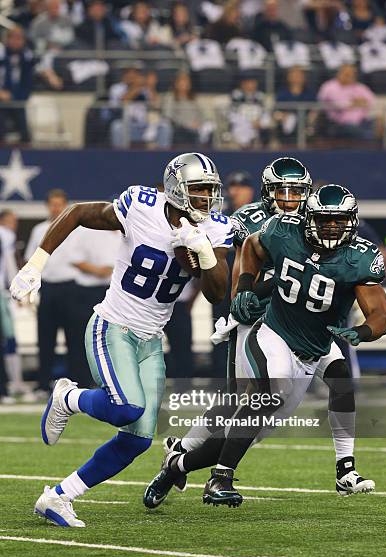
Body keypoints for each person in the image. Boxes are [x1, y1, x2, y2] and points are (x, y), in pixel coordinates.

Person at [10, 152, 233, 527]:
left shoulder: (215, 228)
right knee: (128, 407)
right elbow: (79, 213)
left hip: (151, 340)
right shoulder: (141, 206)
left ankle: (58, 497)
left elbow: (216, 292)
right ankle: (69, 397)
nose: (206, 199)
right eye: (197, 190)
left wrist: (206, 254)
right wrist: (36, 263)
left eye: (210, 190)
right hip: (112, 326)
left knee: (138, 438)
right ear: (177, 189)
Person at [144, 176, 386, 507]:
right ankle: (220, 478)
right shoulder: (281, 228)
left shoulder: (359, 257)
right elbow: (250, 247)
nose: (332, 228)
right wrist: (243, 287)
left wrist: (361, 333)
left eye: (339, 221)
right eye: (325, 220)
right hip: (272, 329)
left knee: (249, 432)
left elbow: (379, 315)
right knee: (258, 395)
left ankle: (177, 463)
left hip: (315, 343)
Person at [23, 189, 83, 400]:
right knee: (45, 340)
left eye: (60, 204)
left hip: (71, 288)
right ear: (48, 206)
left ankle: (76, 385)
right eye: (53, 204)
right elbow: (30, 259)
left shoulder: (78, 229)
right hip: (48, 288)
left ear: (65, 205)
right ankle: (42, 385)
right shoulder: (39, 230)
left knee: (74, 340)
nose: (56, 208)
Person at [70, 227, 122, 387]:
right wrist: (97, 270)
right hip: (88, 291)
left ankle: (113, 381)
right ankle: (81, 380)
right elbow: (74, 258)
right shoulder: (87, 231)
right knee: (83, 336)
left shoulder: (130, 231)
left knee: (115, 338)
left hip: (116, 292)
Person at [0, 26, 62, 144]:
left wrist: (51, 77)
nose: (16, 42)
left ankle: (25, 151)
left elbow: (41, 67)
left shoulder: (26, 55)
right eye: (13, 38)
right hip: (2, 100)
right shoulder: (1, 54)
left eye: (19, 39)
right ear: (7, 39)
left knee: (24, 132)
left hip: (18, 98)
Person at [0, 210, 26, 397]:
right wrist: (17, 289)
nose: (14, 224)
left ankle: (14, 382)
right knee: (9, 339)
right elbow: (9, 264)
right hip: (2, 293)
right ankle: (14, 382)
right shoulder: (5, 234)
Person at [317, 64, 377, 141]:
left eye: (352, 74)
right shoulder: (329, 86)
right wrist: (354, 103)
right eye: (346, 74)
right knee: (363, 133)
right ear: (339, 74)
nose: (349, 76)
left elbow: (373, 102)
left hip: (363, 122)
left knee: (377, 123)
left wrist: (360, 103)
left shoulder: (360, 87)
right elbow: (336, 104)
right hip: (338, 123)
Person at [162, 72, 213, 146]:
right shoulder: (170, 97)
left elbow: (201, 114)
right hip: (179, 129)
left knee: (209, 126)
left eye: (187, 81)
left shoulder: (194, 99)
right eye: (182, 81)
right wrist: (187, 124)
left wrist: (200, 123)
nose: (185, 84)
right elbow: (168, 116)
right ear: (176, 84)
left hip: (196, 128)